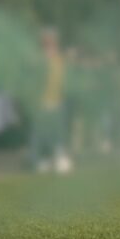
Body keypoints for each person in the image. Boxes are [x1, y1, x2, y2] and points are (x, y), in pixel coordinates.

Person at [29, 29, 72, 174]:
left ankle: (58, 159)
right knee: (39, 135)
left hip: (57, 102)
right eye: (47, 42)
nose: (50, 45)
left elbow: (64, 77)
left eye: (52, 42)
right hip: (42, 103)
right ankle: (37, 161)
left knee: (58, 134)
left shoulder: (59, 59)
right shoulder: (39, 59)